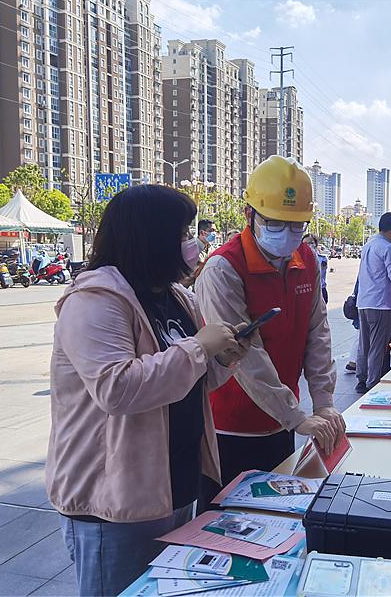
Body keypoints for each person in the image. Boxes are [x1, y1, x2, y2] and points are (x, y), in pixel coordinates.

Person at [47, 186, 250, 596]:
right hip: (115, 501)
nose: (193, 244)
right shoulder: (96, 300)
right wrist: (199, 347)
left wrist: (223, 358)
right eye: (182, 234)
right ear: (150, 237)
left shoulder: (175, 297)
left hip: (172, 484)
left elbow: (193, 379)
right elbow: (117, 389)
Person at [195, 156, 345, 495]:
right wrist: (296, 416)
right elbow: (246, 356)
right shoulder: (224, 268)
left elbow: (317, 331)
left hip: (280, 424)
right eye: (275, 223)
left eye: (297, 225)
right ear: (250, 215)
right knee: (227, 525)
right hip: (230, 428)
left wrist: (323, 401)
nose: (288, 234)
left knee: (277, 518)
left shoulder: (305, 259)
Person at [355, 212, 391, 393]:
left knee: (364, 344)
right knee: (378, 346)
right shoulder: (388, 248)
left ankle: (361, 378)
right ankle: (373, 383)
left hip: (364, 302)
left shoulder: (368, 245)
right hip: (381, 303)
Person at [303, 233, 329, 303]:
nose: (309, 245)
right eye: (306, 243)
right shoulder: (297, 259)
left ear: (316, 244)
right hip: (304, 291)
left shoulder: (322, 259)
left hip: (320, 290)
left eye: (311, 243)